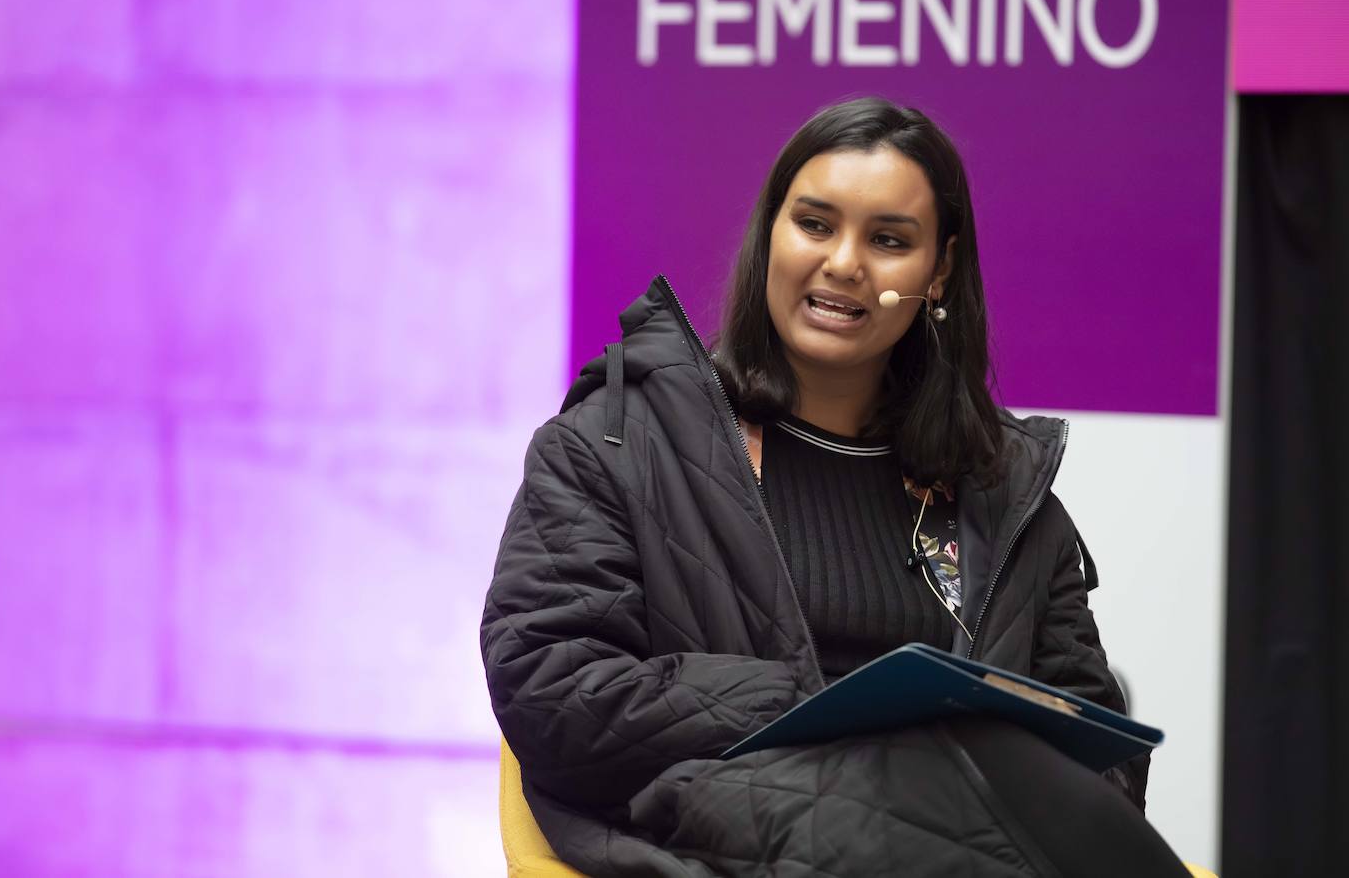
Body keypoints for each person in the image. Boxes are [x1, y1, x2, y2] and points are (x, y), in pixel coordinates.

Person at [481, 97, 1190, 876]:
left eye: (889, 240)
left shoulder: (1002, 488)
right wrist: (816, 706)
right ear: (771, 234)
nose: (845, 262)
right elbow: (552, 692)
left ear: (940, 269)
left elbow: (1103, 758)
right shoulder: (616, 446)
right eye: (815, 224)